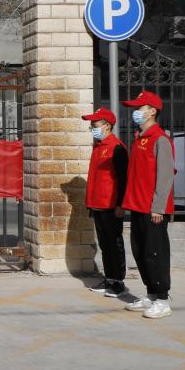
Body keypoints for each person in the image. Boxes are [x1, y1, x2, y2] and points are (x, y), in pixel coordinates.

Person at [120, 90, 176, 319]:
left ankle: (163, 299)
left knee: (155, 253)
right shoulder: (139, 138)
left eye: (139, 108)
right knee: (141, 252)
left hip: (153, 209)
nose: (135, 112)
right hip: (137, 205)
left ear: (152, 111)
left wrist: (158, 207)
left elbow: (165, 176)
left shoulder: (160, 139)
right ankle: (151, 294)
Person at [81, 108, 128, 298]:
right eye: (91, 126)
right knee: (105, 245)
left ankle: (118, 282)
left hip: (111, 205)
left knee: (115, 244)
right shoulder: (98, 146)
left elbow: (123, 179)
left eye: (95, 125)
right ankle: (109, 278)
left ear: (107, 126)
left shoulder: (117, 148)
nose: (92, 128)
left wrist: (120, 204)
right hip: (97, 204)